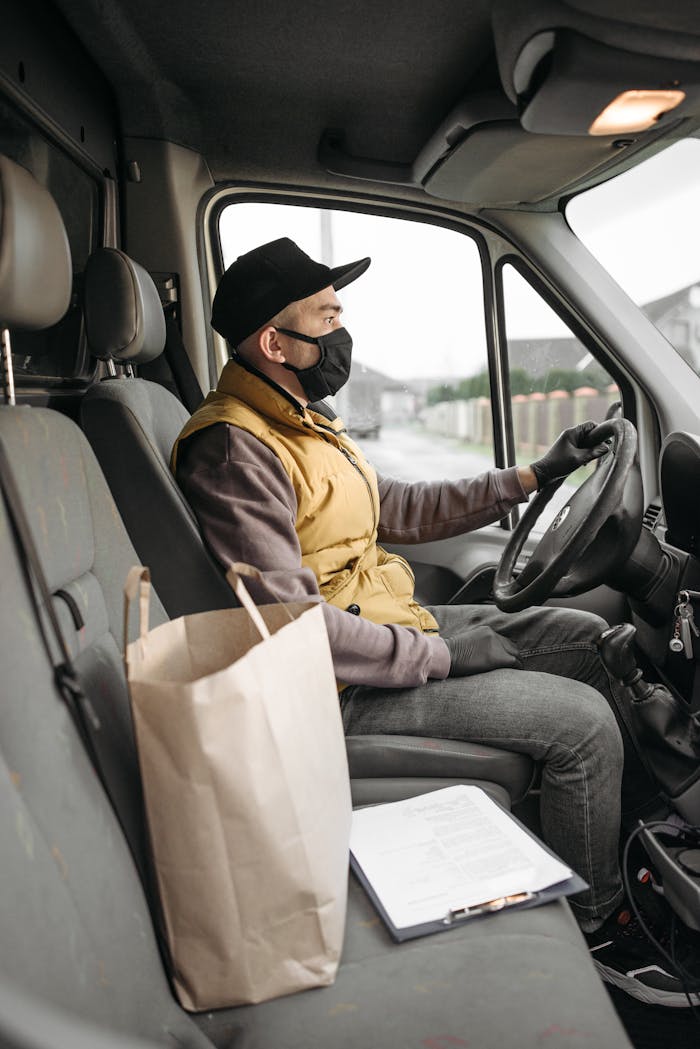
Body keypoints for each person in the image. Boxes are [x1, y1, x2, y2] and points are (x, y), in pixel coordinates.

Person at [172, 237, 692, 1007]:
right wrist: (439, 655)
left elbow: (397, 508)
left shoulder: (300, 421)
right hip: (337, 689)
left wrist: (533, 475)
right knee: (582, 722)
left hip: (389, 626)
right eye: (327, 319)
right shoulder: (233, 448)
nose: (342, 337)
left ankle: (637, 844)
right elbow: (291, 629)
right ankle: (600, 927)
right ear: (274, 343)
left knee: (585, 641)